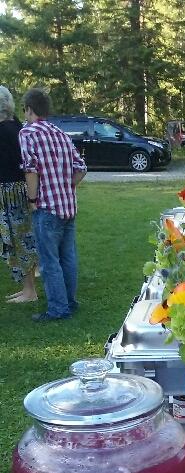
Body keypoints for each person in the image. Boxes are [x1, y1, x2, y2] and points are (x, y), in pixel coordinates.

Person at [19, 87, 87, 322]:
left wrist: (32, 199)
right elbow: (81, 168)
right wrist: (67, 186)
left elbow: (30, 169)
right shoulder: (60, 132)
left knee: (49, 262)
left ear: (29, 110)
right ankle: (70, 301)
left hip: (46, 206)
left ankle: (58, 309)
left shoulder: (28, 133)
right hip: (68, 205)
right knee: (68, 257)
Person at [0, 86, 38, 303]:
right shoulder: (15, 125)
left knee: (20, 241)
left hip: (11, 192)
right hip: (17, 190)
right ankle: (27, 287)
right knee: (22, 239)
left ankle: (29, 291)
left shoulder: (5, 130)